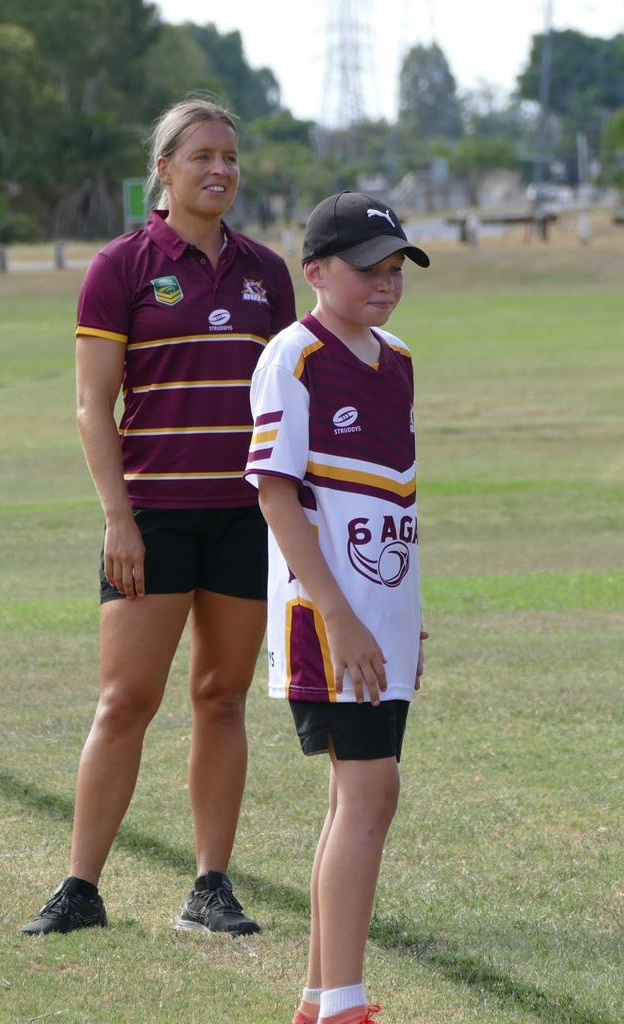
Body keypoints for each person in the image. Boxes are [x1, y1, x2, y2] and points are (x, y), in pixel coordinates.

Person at [21, 97, 296, 937]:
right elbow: (91, 405)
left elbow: (287, 405)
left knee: (222, 697)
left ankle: (210, 886)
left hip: (244, 520)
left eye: (231, 157)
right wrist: (118, 519)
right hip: (152, 519)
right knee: (125, 701)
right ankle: (79, 888)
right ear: (165, 170)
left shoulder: (266, 273)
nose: (221, 170)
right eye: (202, 155)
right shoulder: (122, 266)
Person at [244, 191, 429, 1024]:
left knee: (354, 797)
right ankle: (347, 1005)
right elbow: (277, 497)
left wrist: (398, 614)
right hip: (328, 622)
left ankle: (322, 1000)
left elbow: (392, 503)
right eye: (366, 269)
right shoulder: (294, 356)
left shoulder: (398, 360)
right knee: (371, 792)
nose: (384, 283)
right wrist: (340, 615)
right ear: (314, 272)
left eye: (395, 268)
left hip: (380, 620)